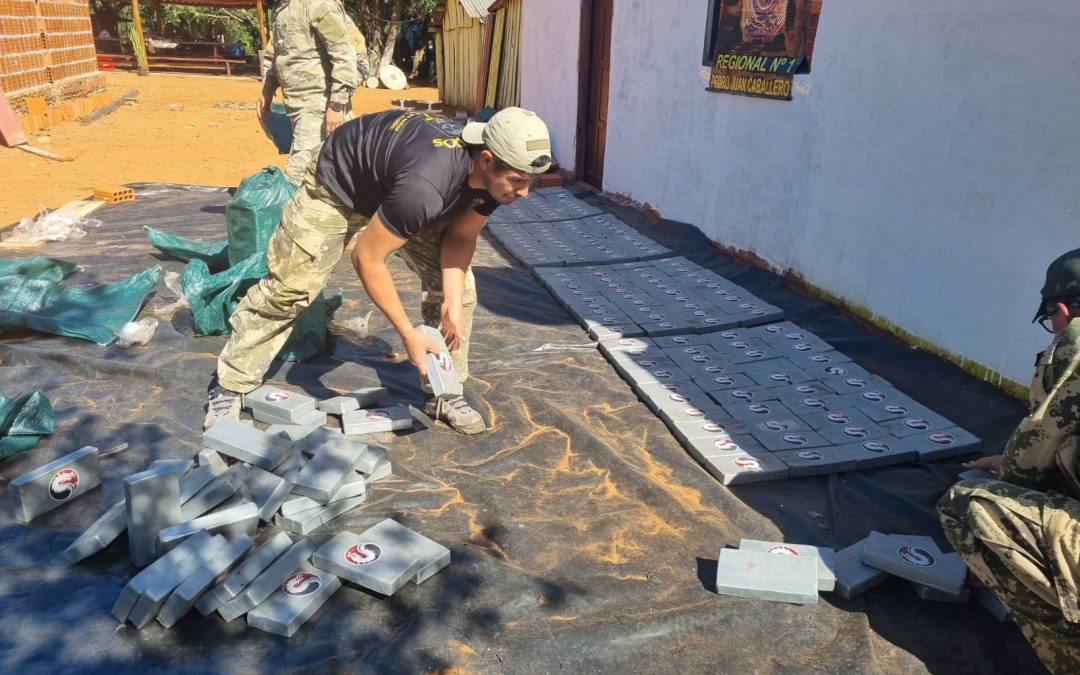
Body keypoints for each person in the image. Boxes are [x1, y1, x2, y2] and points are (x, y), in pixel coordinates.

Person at [204, 106, 553, 434]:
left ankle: (445, 390)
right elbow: (368, 257)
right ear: (487, 159)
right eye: (518, 181)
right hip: (340, 187)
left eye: (530, 182)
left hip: (398, 186)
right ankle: (230, 384)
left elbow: (461, 238)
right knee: (290, 289)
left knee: (462, 296)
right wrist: (407, 334)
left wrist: (451, 299)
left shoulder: (493, 182)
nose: (524, 192)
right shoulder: (426, 187)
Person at [938, 248, 1080, 674]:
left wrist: (1007, 471)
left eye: (1050, 320)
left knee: (966, 505)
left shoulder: (1075, 344)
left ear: (1060, 309)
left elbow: (1027, 465)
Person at [259, 0, 359, 182]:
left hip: (318, 104)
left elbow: (344, 54)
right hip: (295, 104)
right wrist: (267, 91)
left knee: (299, 174)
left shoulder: (318, 5)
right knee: (335, 166)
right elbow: (278, 55)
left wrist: (336, 105)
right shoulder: (281, 8)